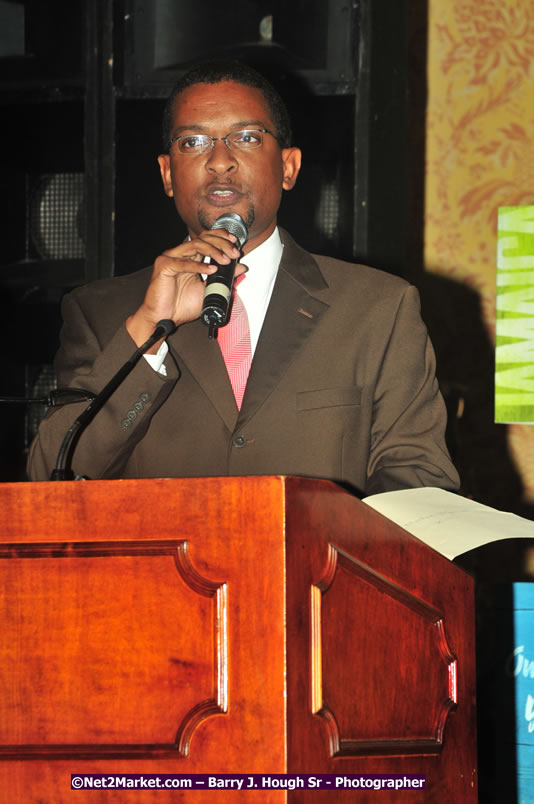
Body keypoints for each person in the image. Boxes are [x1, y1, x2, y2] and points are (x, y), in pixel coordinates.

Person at [27, 60, 460, 495]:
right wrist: (147, 333)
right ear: (166, 175)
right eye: (193, 142)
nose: (219, 161)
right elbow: (51, 479)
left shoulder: (378, 307)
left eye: (247, 137)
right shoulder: (101, 312)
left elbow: (419, 488)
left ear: (289, 168)